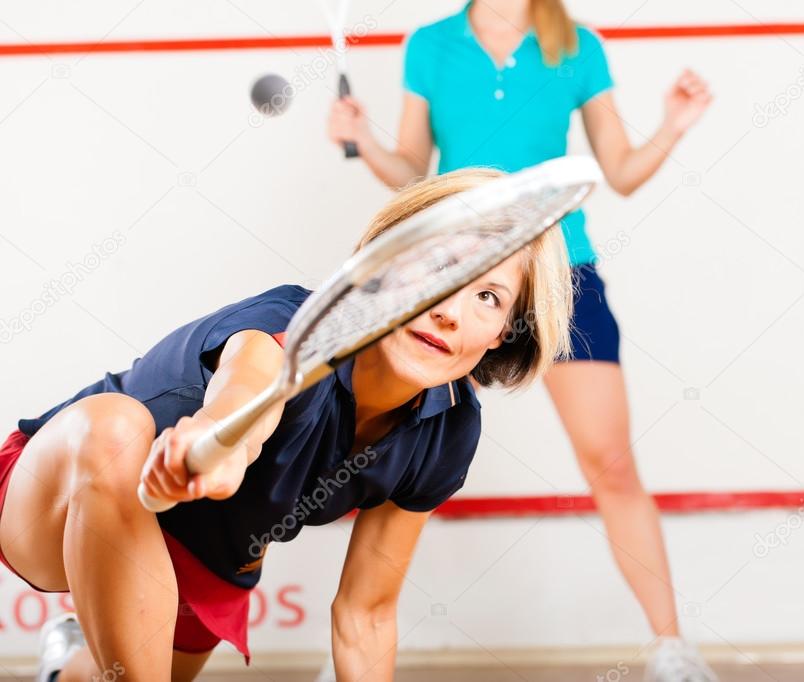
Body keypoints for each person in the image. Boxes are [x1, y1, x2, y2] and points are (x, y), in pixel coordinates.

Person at [0, 168, 573, 682]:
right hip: (62, 497)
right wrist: (220, 445)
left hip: (208, 560)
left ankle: (65, 663)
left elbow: (365, 613)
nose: (452, 308)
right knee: (117, 429)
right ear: (388, 261)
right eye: (442, 268)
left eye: (489, 297)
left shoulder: (448, 431)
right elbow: (244, 397)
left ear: (504, 333)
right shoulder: (293, 330)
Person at [327, 1, 715, 679]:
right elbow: (415, 170)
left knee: (612, 466)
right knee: (402, 454)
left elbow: (618, 171)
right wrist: (362, 141)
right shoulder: (430, 45)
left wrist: (672, 128)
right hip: (454, 276)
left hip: (563, 273)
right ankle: (352, 651)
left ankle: (672, 653)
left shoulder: (578, 46)